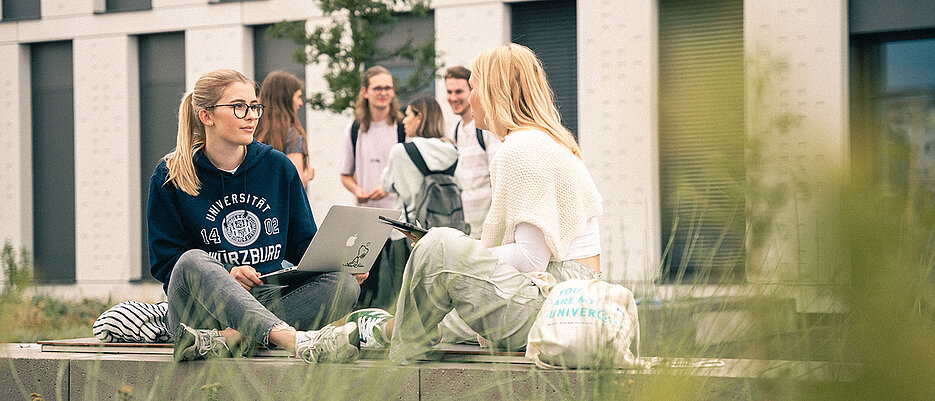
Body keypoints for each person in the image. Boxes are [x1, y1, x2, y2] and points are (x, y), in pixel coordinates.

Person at [314, 44, 604, 365]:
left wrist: (455, 250)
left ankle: (393, 349)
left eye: (474, 85)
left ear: (495, 91)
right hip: (565, 297)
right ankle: (376, 330)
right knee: (442, 315)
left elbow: (531, 257)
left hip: (548, 302)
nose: (469, 97)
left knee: (439, 244)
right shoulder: (544, 140)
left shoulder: (521, 148)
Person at [147, 69, 362, 363]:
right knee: (191, 259)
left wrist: (342, 262)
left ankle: (231, 339)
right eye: (239, 106)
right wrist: (225, 272)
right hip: (198, 313)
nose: (251, 115)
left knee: (344, 286)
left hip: (263, 298)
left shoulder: (277, 167)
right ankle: (292, 340)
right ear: (206, 116)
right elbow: (165, 262)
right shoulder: (170, 173)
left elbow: (302, 246)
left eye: (255, 106)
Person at [378, 94, 459, 308]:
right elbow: (459, 185)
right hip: (442, 234)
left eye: (407, 115)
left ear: (419, 117)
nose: (403, 121)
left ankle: (408, 339)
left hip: (406, 233)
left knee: (403, 299)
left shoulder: (401, 151)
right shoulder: (451, 150)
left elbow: (387, 184)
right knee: (438, 297)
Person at [338, 66, 409, 308]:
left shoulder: (403, 127)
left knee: (401, 289)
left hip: (399, 221)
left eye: (388, 87)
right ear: (365, 92)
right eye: (378, 88)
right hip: (366, 221)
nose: (384, 92)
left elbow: (410, 172)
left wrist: (388, 188)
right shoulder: (355, 128)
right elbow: (345, 174)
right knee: (365, 290)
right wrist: (357, 190)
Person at [445, 66, 502, 239]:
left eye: (458, 92)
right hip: (467, 227)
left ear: (472, 92)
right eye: (449, 92)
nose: (453, 98)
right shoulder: (455, 130)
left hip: (489, 230)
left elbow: (498, 176)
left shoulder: (486, 128)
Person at [255, 70, 315, 187]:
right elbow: (295, 182)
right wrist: (306, 175)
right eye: (298, 97)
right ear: (286, 99)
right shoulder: (292, 135)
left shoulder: (251, 128)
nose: (301, 103)